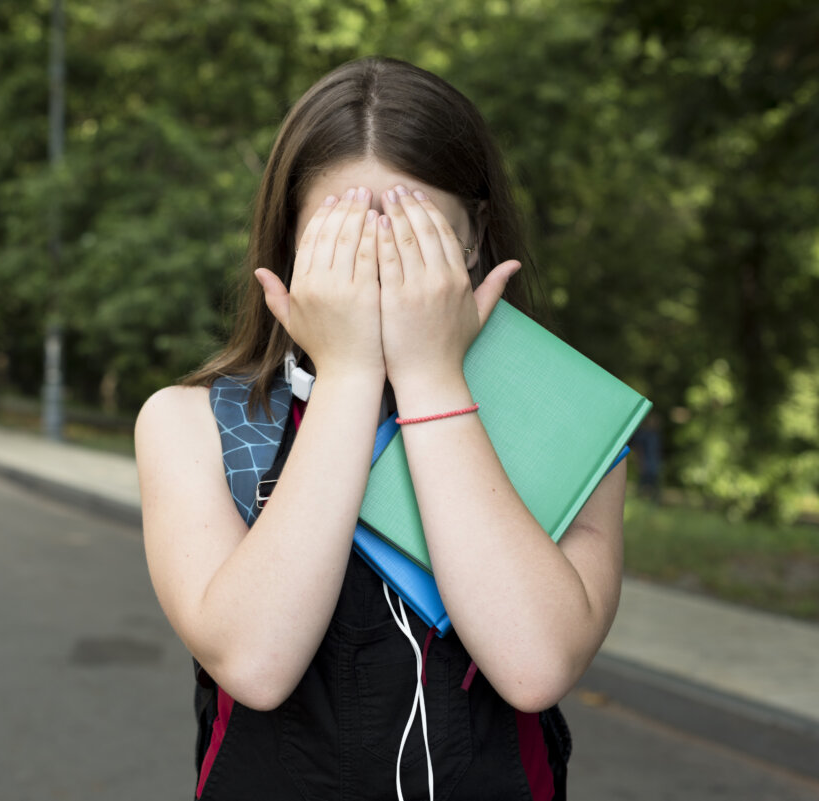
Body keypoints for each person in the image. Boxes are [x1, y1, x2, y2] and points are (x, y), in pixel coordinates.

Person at [135, 57, 626, 801]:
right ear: (288, 243)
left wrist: (430, 379)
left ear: (472, 240)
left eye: (414, 238)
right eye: (344, 240)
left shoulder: (568, 421)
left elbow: (536, 665)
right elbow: (255, 661)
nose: (380, 266)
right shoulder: (191, 422)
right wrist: (352, 376)